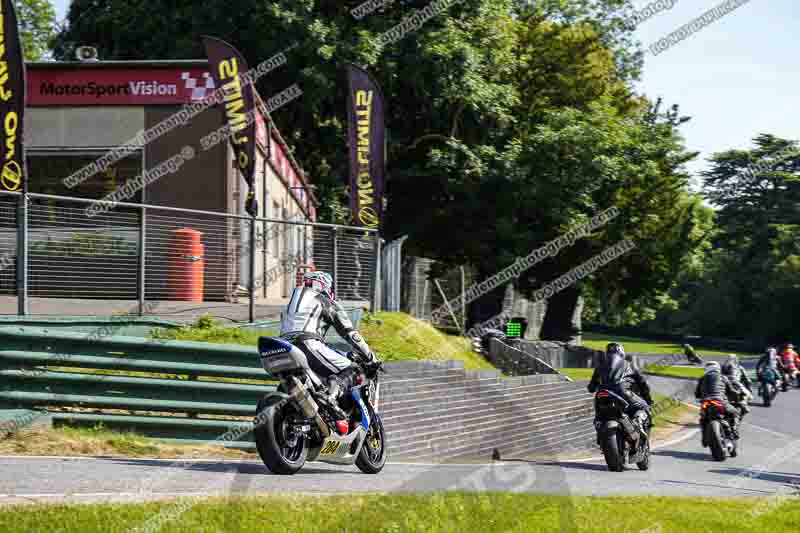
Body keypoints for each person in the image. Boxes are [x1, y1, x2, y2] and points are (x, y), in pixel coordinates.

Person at [279, 271, 379, 419]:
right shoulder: (325, 301)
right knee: (353, 369)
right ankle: (331, 397)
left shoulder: (289, 305)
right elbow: (350, 333)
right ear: (323, 285)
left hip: (283, 346)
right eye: (329, 287)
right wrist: (370, 357)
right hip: (307, 344)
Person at [588, 343, 654, 435]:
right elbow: (643, 383)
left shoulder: (600, 366)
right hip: (623, 393)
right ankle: (639, 420)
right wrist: (648, 399)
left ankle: (600, 427)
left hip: (602, 394)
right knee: (645, 406)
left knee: (598, 417)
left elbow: (591, 388)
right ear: (621, 353)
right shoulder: (629, 365)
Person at [695, 361, 742, 440]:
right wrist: (737, 396)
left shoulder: (702, 378)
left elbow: (697, 394)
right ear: (718, 368)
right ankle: (734, 432)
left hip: (706, 403)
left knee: (703, 418)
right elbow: (731, 391)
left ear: (707, 369)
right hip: (719, 401)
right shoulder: (723, 377)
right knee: (735, 413)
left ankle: (704, 437)